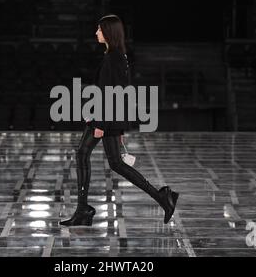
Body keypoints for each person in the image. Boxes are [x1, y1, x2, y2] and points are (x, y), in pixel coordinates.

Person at [60, 14, 179, 226]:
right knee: (114, 163)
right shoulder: (118, 56)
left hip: (105, 118)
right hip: (111, 118)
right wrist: (118, 126)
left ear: (108, 32)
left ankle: (83, 210)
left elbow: (112, 94)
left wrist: (100, 125)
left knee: (83, 153)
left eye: (99, 29)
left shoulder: (113, 58)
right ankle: (162, 197)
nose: (96, 33)